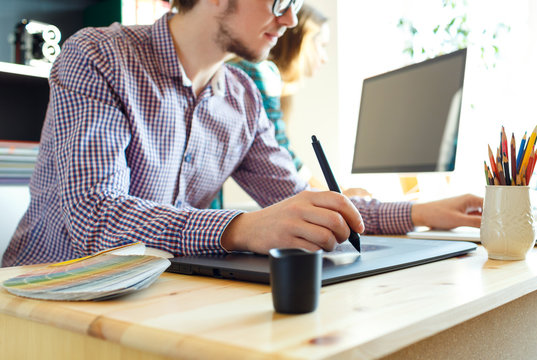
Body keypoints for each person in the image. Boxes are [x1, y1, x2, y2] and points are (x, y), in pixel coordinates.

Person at [2, 0, 483, 267]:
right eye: (281, 0)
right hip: (46, 297)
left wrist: (425, 212)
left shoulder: (243, 99)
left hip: (156, 295)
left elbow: (299, 201)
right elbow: (94, 217)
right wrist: (241, 228)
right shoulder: (98, 57)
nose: (291, 19)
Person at [227, 4, 367, 196]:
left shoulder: (274, 86)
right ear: (300, 41)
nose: (324, 58)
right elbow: (281, 157)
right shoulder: (261, 74)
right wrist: (332, 194)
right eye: (321, 45)